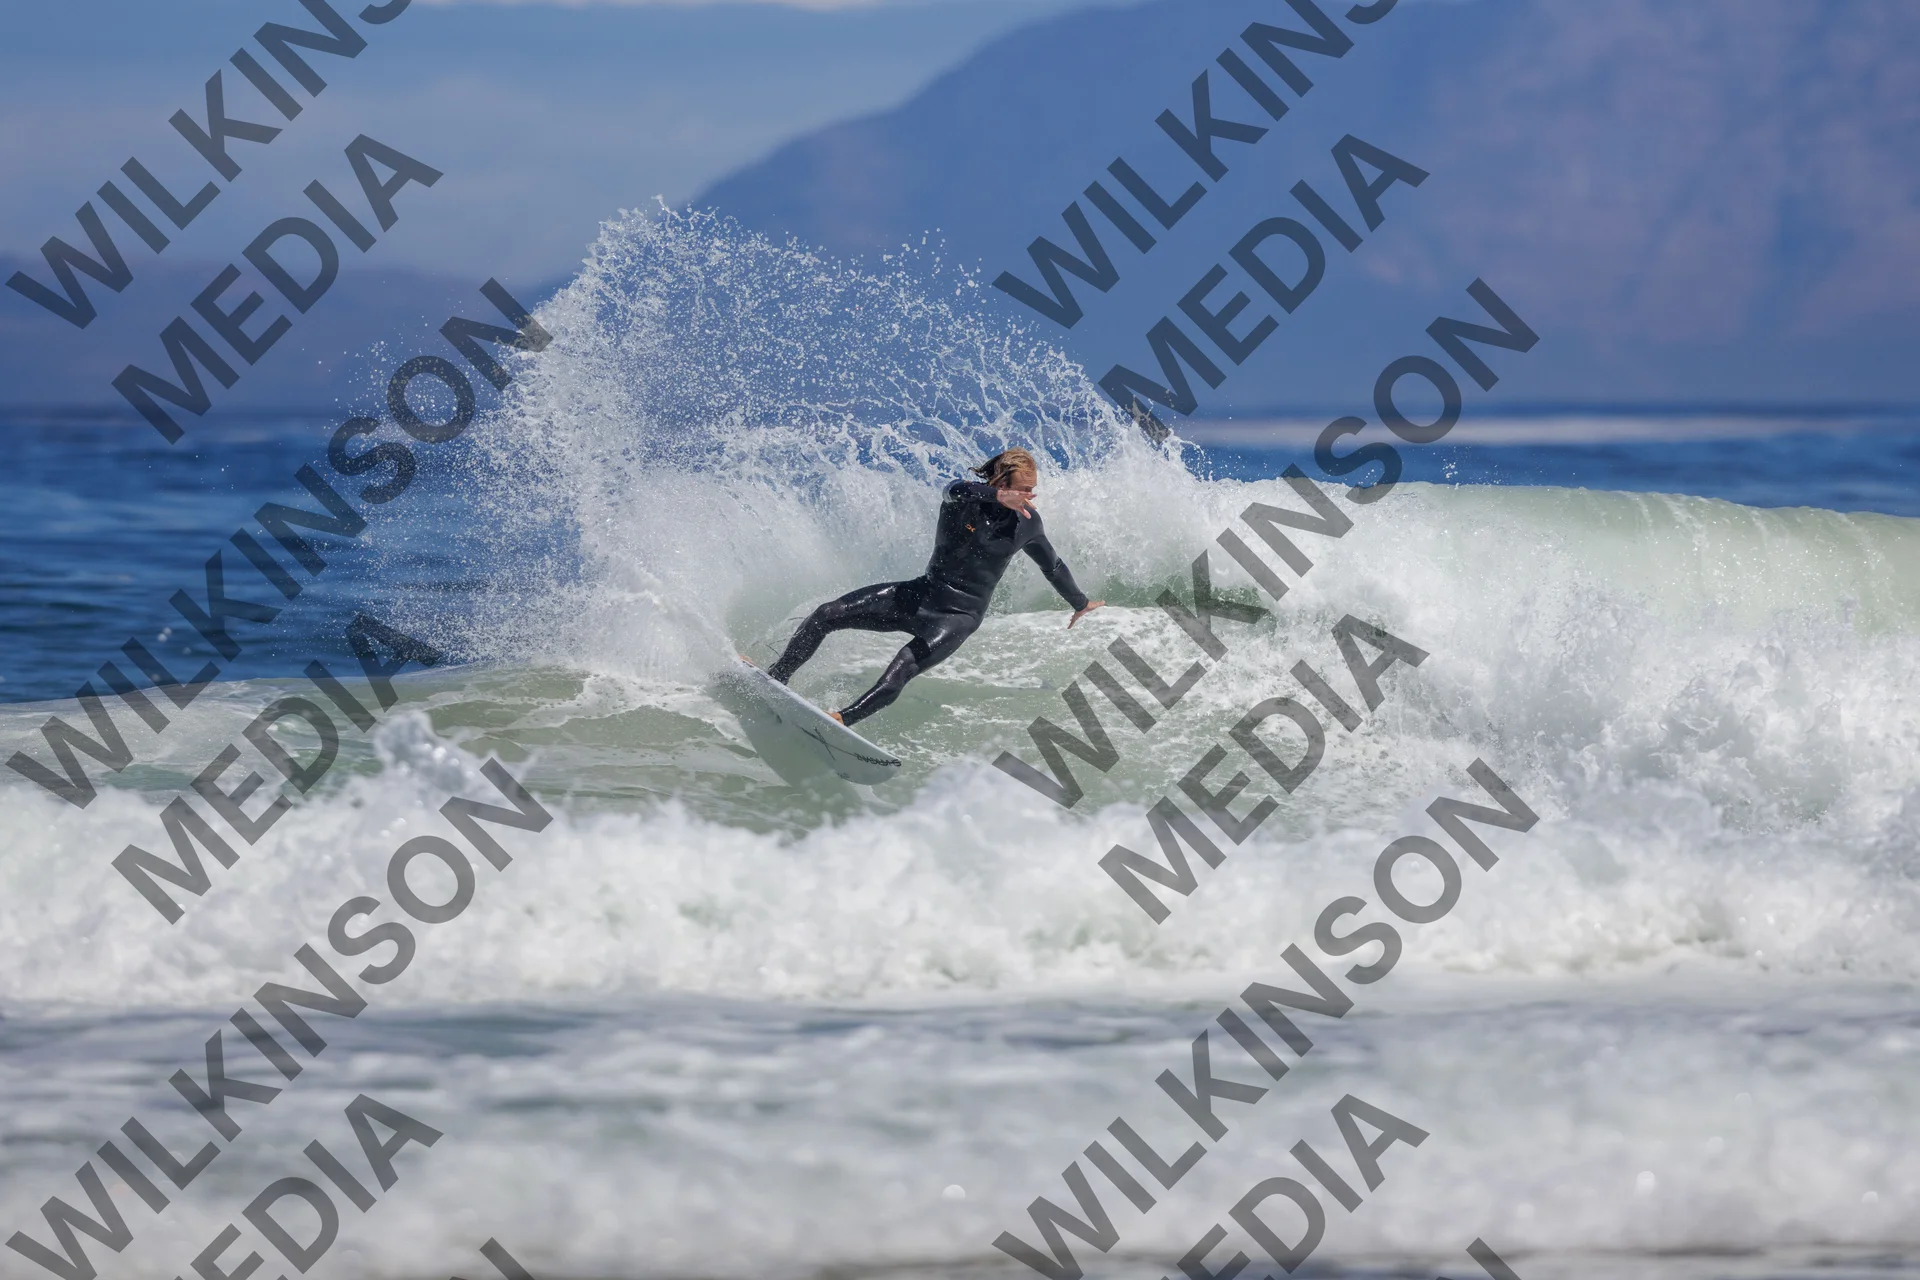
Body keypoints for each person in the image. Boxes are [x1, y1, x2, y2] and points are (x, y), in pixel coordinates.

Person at [768, 448, 1104, 726]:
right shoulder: (964, 500)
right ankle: (776, 678)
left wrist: (1080, 603)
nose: (1029, 496)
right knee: (827, 614)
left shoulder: (1027, 524)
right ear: (1001, 482)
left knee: (903, 666)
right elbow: (954, 488)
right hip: (921, 594)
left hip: (958, 617)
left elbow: (1052, 566)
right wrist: (999, 497)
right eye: (1022, 489)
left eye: (1032, 489)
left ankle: (841, 720)